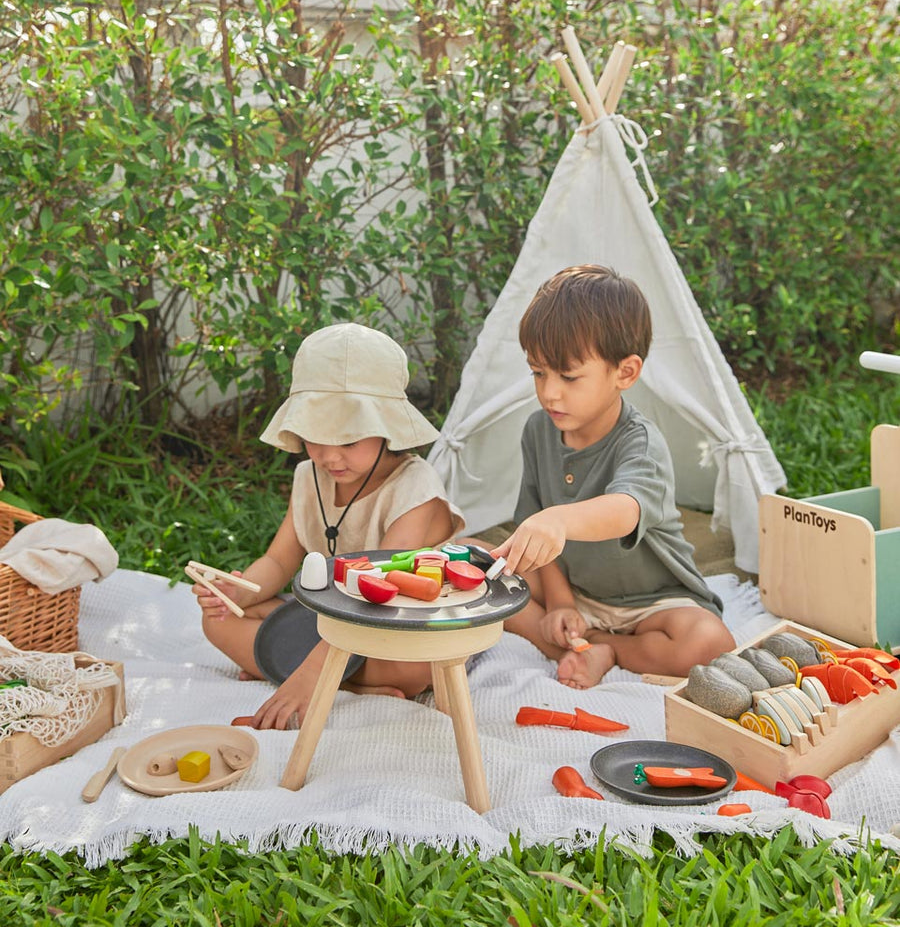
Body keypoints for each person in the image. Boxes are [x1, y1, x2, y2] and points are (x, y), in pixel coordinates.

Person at [193, 322, 464, 729]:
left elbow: (383, 597)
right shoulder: (308, 477)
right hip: (336, 619)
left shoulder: (413, 488)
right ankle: (350, 683)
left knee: (416, 670)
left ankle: (314, 672)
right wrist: (240, 591)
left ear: (386, 429)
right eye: (315, 438)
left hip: (397, 627)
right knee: (218, 621)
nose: (330, 456)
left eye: (349, 441)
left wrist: (310, 676)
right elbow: (278, 561)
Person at [494, 265, 735, 688]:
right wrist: (559, 604)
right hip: (576, 591)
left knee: (708, 642)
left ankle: (605, 649)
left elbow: (625, 509)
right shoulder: (538, 430)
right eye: (538, 372)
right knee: (478, 565)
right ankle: (574, 640)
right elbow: (535, 534)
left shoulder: (640, 442)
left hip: (651, 604)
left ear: (625, 372)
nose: (550, 392)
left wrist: (559, 520)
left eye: (568, 376)